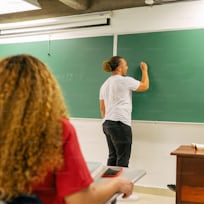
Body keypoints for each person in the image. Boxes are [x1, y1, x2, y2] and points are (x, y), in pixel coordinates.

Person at [0, 54, 133, 204]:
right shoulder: (57, 129)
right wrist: (117, 184)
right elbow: (80, 200)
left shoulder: (105, 85)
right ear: (46, 89)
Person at [99, 56, 149, 167]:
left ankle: (109, 183)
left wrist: (107, 121)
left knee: (113, 156)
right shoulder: (125, 81)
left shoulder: (104, 85)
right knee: (123, 159)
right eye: (125, 65)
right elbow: (145, 86)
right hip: (120, 124)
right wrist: (144, 70)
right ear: (120, 67)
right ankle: (119, 184)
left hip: (107, 124)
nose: (127, 67)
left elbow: (102, 109)